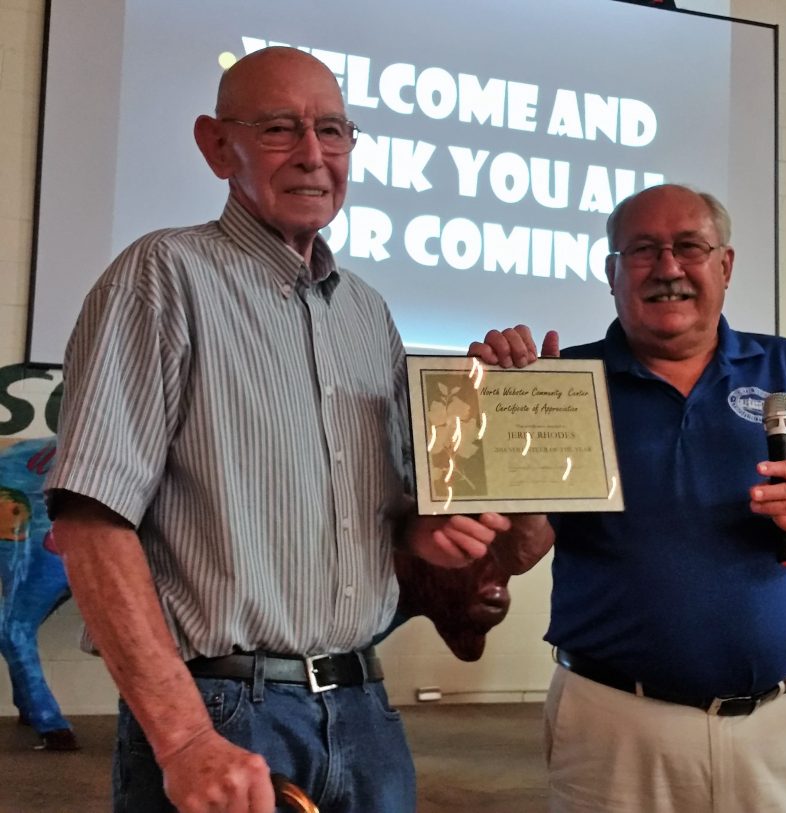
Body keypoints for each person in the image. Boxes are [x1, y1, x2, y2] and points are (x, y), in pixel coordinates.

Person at [45, 47, 545, 813]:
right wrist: (182, 740)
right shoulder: (163, 276)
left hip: (363, 709)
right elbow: (90, 524)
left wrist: (479, 451)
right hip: (223, 711)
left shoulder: (367, 313)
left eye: (333, 131)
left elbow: (399, 523)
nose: (313, 154)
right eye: (280, 128)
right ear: (219, 147)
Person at [471, 183, 786, 813]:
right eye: (643, 251)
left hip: (784, 727)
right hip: (615, 734)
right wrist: (504, 412)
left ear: (726, 265)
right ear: (611, 272)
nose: (668, 269)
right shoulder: (563, 385)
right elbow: (518, 554)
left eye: (689, 247)